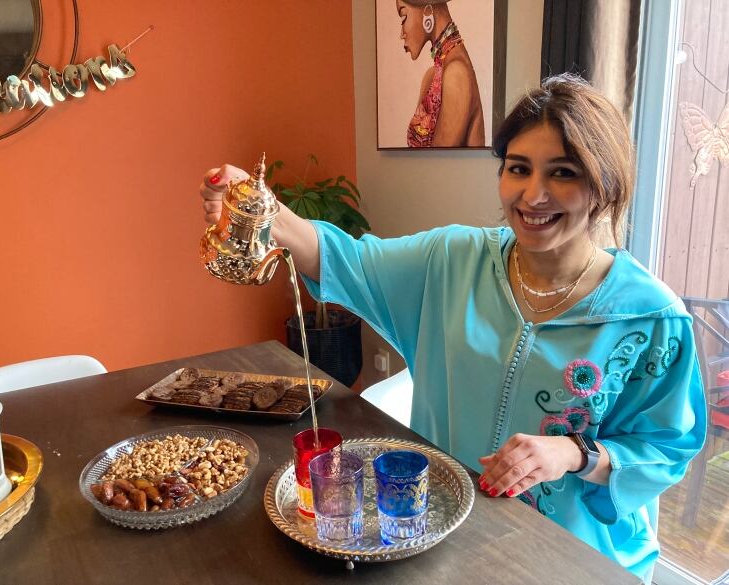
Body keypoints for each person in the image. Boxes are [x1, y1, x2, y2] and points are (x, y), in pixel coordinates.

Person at [199, 75, 706, 583]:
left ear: (604, 184)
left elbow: (666, 448)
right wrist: (254, 203)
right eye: (518, 169)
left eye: (564, 173)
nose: (534, 195)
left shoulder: (651, 318)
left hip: (571, 560)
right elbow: (344, 260)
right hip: (441, 538)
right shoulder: (452, 260)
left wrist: (575, 452)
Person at [396, 0, 485, 147]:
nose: (402, 34)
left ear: (428, 11)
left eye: (403, 16)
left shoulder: (457, 74)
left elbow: (437, 164)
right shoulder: (431, 76)